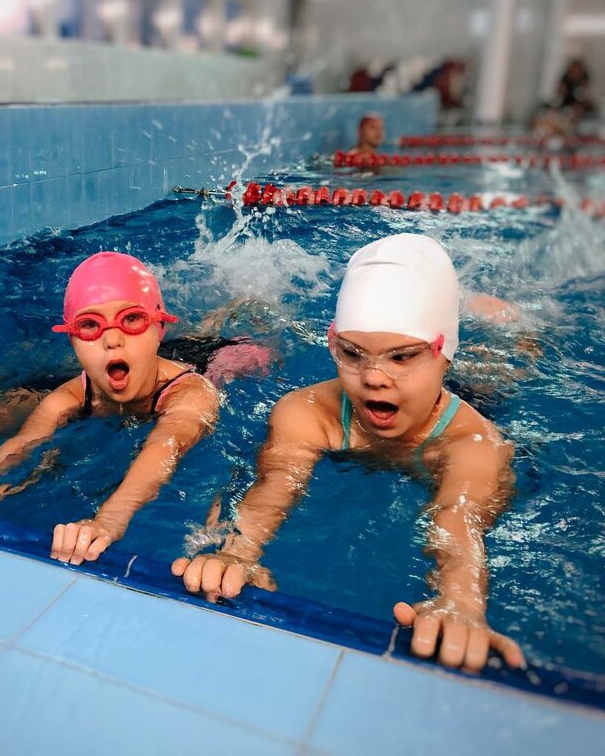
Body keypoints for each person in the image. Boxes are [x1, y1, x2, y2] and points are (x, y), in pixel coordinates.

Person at [172, 234, 526, 673]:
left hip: (467, 399)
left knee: (499, 374)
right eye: (353, 354)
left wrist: (460, 600)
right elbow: (274, 484)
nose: (374, 377)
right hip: (405, 398)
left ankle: (517, 331)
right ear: (333, 343)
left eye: (402, 357)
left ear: (442, 354)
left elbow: (458, 517)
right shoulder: (307, 412)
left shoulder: (475, 442)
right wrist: (237, 553)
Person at [0, 252, 221, 566]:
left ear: (160, 326)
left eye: (131, 319)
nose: (112, 340)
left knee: (231, 350)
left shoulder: (193, 392)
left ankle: (223, 315)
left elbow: (166, 445)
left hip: (208, 359)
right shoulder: (67, 397)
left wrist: (109, 519)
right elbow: (22, 443)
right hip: (141, 360)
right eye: (90, 325)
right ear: (72, 340)